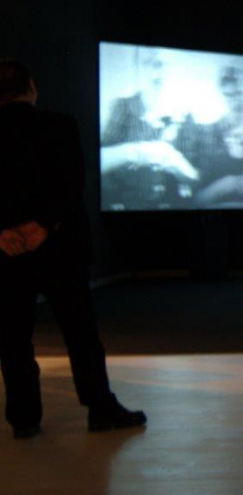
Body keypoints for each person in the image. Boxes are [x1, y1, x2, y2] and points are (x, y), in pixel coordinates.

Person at [0, 59, 147, 439]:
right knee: (80, 334)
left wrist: (2, 232)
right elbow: (71, 183)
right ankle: (100, 408)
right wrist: (44, 225)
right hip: (60, 246)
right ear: (32, 87)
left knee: (13, 337)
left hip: (8, 252)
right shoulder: (60, 125)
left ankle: (24, 419)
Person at [100, 46, 201, 210]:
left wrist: (176, 163)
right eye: (147, 63)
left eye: (160, 64)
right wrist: (140, 151)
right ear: (137, 68)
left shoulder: (184, 115)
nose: (155, 74)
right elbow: (101, 163)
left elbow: (196, 180)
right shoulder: (122, 108)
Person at [176, 65, 243, 208]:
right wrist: (231, 184)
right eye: (228, 95)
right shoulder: (202, 136)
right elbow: (191, 201)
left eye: (239, 94)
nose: (236, 102)